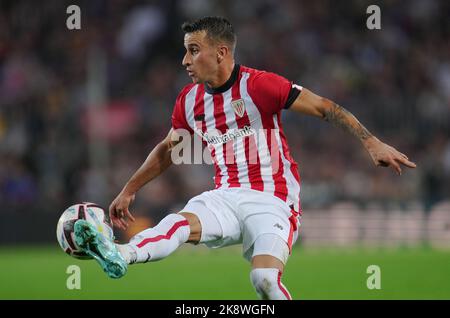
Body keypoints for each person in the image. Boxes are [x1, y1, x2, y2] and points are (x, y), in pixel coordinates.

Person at [74, 16, 416, 300]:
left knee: (264, 280)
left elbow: (326, 108)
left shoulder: (260, 86)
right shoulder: (189, 101)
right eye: (185, 52)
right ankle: (121, 253)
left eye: (193, 51)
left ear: (221, 52)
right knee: (177, 222)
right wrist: (129, 188)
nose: (185, 61)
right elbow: (170, 149)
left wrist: (372, 143)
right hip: (225, 196)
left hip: (274, 199)